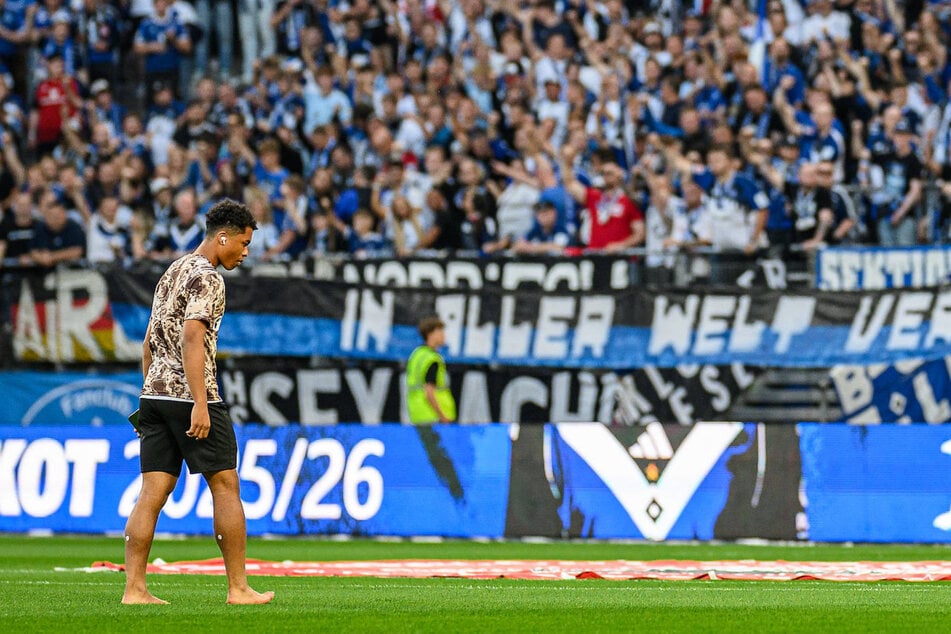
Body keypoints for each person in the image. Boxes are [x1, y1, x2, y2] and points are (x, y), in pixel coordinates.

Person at [122, 199, 273, 605]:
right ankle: (238, 589)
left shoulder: (173, 270)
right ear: (222, 236)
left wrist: (148, 394)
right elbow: (192, 337)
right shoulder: (208, 277)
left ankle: (134, 589)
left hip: (154, 393)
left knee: (151, 492)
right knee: (225, 484)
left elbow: (149, 340)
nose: (244, 252)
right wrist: (200, 404)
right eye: (242, 243)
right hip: (190, 396)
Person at [405, 316, 456, 424]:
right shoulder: (432, 359)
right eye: (439, 331)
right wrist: (442, 416)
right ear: (430, 334)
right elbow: (429, 391)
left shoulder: (417, 354)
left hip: (417, 412)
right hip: (433, 415)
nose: (443, 335)